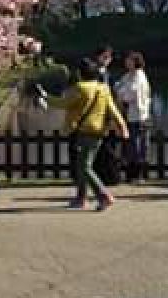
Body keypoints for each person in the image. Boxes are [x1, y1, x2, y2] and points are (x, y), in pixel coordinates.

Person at [53, 58, 128, 211]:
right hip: (99, 132)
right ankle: (81, 198)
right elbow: (113, 110)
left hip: (84, 131)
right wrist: (122, 127)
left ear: (81, 73)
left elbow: (63, 103)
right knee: (83, 166)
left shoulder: (80, 87)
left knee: (84, 166)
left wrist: (45, 98)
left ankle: (103, 195)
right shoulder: (104, 88)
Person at [114, 52, 152, 182]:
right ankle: (131, 174)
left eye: (129, 60)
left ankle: (137, 175)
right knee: (130, 146)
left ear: (136, 62)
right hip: (130, 115)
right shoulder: (128, 75)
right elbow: (118, 87)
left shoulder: (139, 76)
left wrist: (120, 93)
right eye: (126, 60)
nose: (126, 62)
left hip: (139, 116)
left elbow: (129, 94)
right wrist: (121, 91)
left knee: (137, 146)